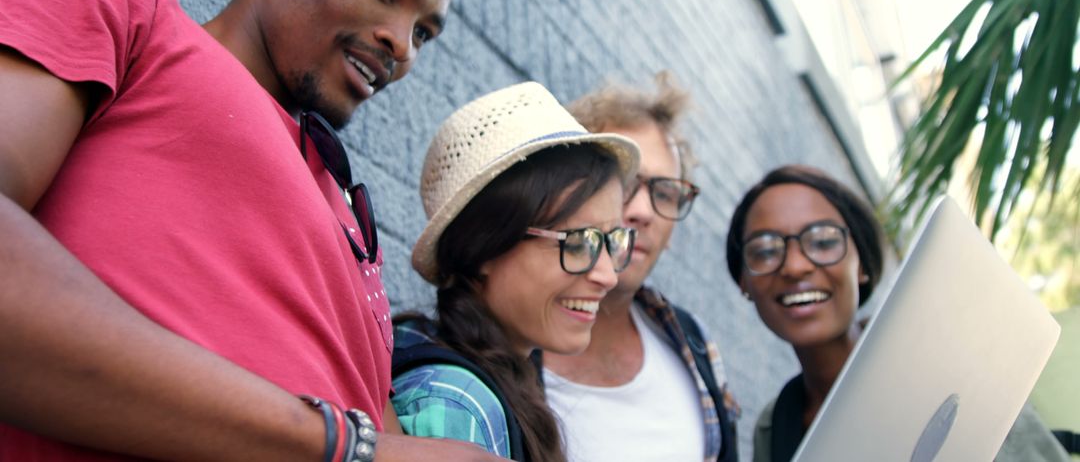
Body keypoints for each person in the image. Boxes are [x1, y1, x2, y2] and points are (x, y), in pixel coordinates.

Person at [0, 0, 500, 460]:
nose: (402, 46)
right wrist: (341, 446)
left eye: (424, 34)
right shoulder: (124, 4)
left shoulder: (345, 208)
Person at [724, 164, 1071, 461]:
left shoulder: (948, 362)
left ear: (860, 264)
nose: (795, 266)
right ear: (743, 281)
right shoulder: (775, 426)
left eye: (823, 241)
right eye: (766, 250)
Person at [391, 81, 642, 461]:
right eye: (578, 243)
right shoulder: (455, 407)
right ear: (483, 248)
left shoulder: (506, 376)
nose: (608, 276)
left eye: (612, 241)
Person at [541, 72, 740, 462]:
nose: (644, 212)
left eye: (666, 193)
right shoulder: (501, 341)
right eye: (624, 181)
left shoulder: (691, 342)